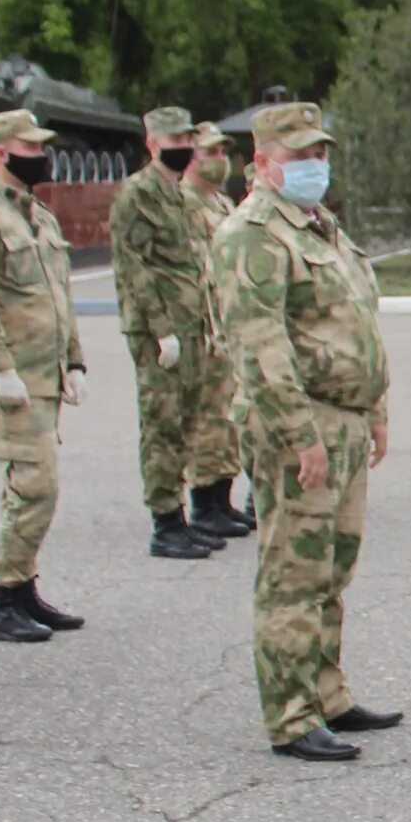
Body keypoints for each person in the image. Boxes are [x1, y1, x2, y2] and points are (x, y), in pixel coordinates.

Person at [213, 102, 399, 761]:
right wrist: (301, 436)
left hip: (343, 420)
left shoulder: (321, 228)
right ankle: (292, 717)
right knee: (293, 574)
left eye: (320, 154)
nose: (313, 166)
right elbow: (260, 345)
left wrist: (374, 411)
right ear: (262, 164)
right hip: (302, 422)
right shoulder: (253, 235)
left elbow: (356, 321)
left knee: (332, 569)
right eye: (298, 157)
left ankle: (328, 694)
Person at [0, 109, 88, 643]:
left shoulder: (37, 215)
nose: (41, 157)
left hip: (43, 373)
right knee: (34, 487)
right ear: (0, 153)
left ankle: (23, 588)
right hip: (11, 380)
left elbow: (59, 295)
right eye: (30, 148)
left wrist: (73, 359)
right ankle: (3, 598)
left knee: (32, 487)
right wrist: (0, 369)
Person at [111, 106, 230, 560]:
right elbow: (133, 266)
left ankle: (182, 516)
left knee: (187, 422)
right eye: (173, 141)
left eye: (186, 140)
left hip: (190, 321)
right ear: (152, 144)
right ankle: (165, 522)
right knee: (162, 425)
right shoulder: (137, 194)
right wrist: (161, 330)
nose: (181, 148)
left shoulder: (176, 193)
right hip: (159, 329)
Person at [181, 123, 255, 535]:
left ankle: (223, 498)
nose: (219, 160)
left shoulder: (222, 205)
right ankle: (204, 502)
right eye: (209, 153)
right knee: (208, 417)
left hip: (228, 324)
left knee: (227, 417)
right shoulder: (185, 205)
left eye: (222, 152)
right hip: (203, 326)